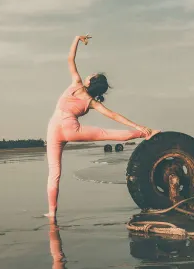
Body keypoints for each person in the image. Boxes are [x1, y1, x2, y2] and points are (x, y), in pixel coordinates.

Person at [46, 34, 159, 216]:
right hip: (71, 129)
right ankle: (147, 134)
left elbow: (70, 58)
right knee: (106, 132)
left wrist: (76, 39)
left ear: (90, 81)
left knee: (54, 172)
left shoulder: (76, 83)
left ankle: (52, 213)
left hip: (53, 128)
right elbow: (114, 116)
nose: (89, 74)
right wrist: (139, 127)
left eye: (92, 75)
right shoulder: (92, 101)